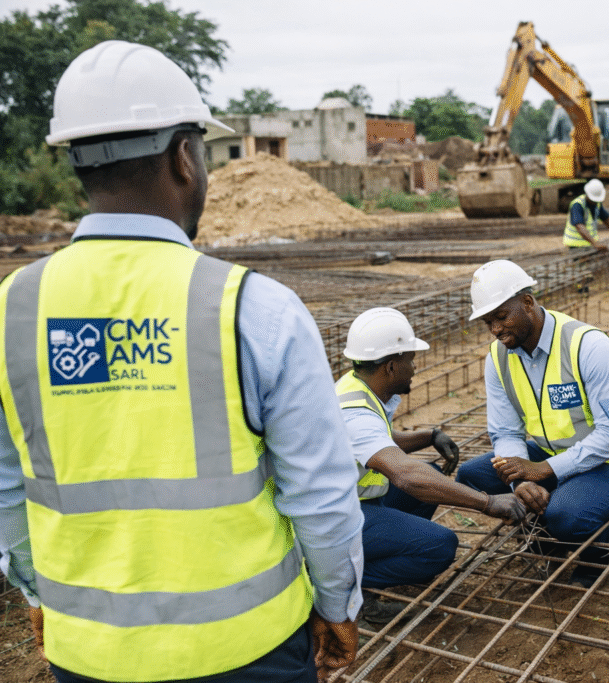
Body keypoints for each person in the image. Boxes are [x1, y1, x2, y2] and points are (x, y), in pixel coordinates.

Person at [0, 41, 365, 683]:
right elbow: (321, 492)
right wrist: (338, 604)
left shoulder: (11, 311)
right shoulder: (253, 308)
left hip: (88, 653)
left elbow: (6, 489)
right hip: (249, 650)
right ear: (183, 159)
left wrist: (37, 595)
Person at [335, 308, 526, 622]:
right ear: (391, 365)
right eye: (410, 359)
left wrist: (430, 436)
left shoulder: (356, 386)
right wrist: (487, 502)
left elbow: (378, 442)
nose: (414, 367)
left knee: (434, 476)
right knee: (439, 546)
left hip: (354, 502)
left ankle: (381, 559)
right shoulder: (355, 412)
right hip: (336, 517)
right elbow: (406, 474)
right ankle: (341, 582)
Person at [455, 260, 609, 587]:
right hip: (547, 455)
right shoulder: (498, 358)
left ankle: (597, 549)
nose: (495, 330)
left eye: (501, 317)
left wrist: (546, 470)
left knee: (565, 516)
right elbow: (506, 432)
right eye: (487, 322)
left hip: (608, 463)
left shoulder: (587, 346)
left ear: (527, 303)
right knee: (470, 477)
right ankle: (547, 539)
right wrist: (518, 482)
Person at [562, 179, 609, 250]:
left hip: (590, 244)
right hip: (576, 245)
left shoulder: (597, 204)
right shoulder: (577, 205)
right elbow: (579, 227)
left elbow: (607, 220)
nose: (595, 202)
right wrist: (595, 243)